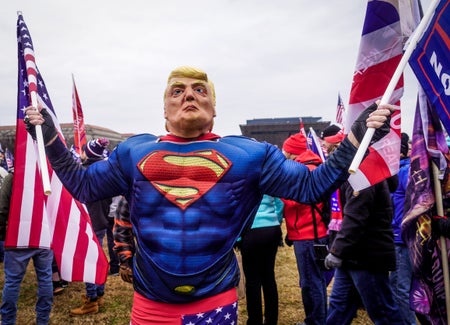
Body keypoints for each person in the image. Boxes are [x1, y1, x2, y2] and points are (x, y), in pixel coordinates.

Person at [24, 66, 393, 324]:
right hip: (150, 299)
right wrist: (51, 138)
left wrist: (356, 141)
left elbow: (312, 186)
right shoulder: (133, 152)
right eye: (177, 90)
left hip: (214, 296)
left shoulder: (249, 154)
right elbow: (84, 185)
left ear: (213, 110)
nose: (188, 95)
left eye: (199, 90)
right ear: (165, 109)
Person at [325, 177, 403, 324]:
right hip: (350, 256)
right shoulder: (351, 171)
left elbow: (356, 216)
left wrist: (337, 250)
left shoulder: (363, 174)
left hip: (367, 255)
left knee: (383, 312)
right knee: (339, 307)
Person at [281, 132, 330, 325]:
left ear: (293, 153)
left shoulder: (302, 171)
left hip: (307, 233)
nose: (283, 153)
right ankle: (319, 318)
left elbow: (295, 201)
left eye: (285, 150)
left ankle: (316, 321)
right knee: (316, 280)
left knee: (311, 282)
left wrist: (279, 193)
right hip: (317, 231)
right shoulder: (315, 166)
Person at [0, 168, 54, 325]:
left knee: (12, 281)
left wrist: (3, 235)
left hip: (18, 236)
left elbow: (2, 208)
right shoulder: (48, 175)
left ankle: (8, 321)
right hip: (43, 234)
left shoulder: (13, 176)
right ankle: (42, 320)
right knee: (45, 278)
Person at [69, 138, 113, 316]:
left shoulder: (84, 174)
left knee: (88, 261)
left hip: (89, 223)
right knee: (99, 258)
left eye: (84, 151)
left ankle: (91, 300)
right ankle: (99, 294)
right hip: (101, 221)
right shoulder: (106, 173)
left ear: (89, 154)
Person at [238, 194, 283, 325]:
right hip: (271, 229)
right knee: (269, 277)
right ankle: (271, 320)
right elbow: (280, 203)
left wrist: (238, 237)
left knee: (252, 281)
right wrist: (276, 220)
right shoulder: (269, 178)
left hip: (251, 230)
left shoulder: (242, 180)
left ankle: (254, 321)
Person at [389, 132, 418, 325]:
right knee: (398, 285)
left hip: (403, 237)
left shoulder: (405, 172)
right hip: (399, 235)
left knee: (400, 287)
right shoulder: (400, 170)